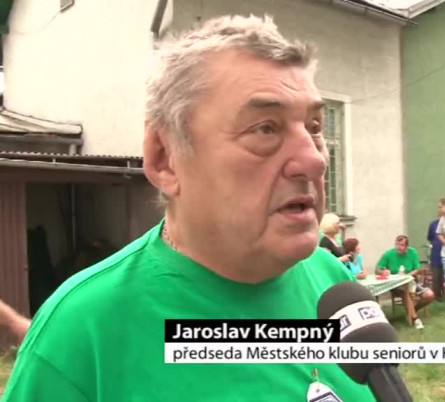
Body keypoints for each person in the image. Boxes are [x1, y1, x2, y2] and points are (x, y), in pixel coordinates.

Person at [3, 16, 375, 401]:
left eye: (314, 127)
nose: (315, 160)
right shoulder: (82, 331)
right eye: (266, 128)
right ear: (165, 159)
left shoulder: (333, 281)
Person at [376, 235, 434, 329]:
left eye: (401, 245)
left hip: (412, 280)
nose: (398, 247)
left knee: (429, 295)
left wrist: (408, 275)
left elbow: (417, 269)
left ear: (407, 246)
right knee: (406, 293)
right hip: (396, 284)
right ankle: (415, 319)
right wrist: (383, 272)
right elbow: (377, 270)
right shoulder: (388, 254)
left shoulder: (413, 252)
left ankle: (412, 310)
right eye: (397, 244)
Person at [426, 211, 445, 300]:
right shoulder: (433, 224)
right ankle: (437, 295)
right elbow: (430, 238)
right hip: (436, 254)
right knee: (436, 275)